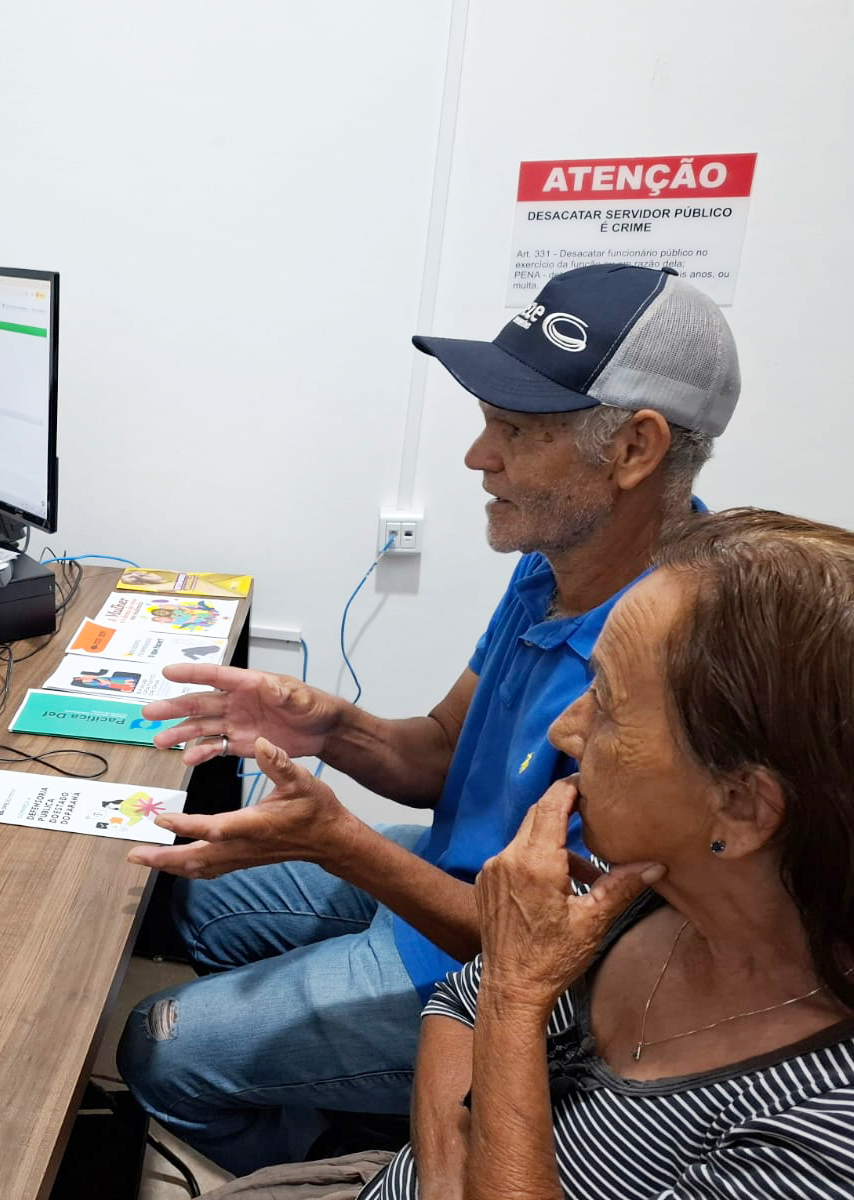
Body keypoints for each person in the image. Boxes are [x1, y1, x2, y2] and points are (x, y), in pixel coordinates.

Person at [116, 264, 742, 1174]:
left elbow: (542, 956)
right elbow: (445, 751)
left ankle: (334, 1160)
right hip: (447, 881)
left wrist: (339, 843)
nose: (476, 456)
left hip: (497, 970)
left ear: (635, 450)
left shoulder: (666, 660)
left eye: (515, 430)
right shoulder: (556, 558)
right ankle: (335, 1106)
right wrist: (328, 729)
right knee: (188, 900)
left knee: (158, 1047)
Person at [345, 508, 854, 1199]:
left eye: (608, 704)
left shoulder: (822, 1130)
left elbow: (489, 999)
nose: (565, 727)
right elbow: (459, 1005)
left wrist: (517, 995)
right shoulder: (649, 890)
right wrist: (439, 1173)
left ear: (741, 806)